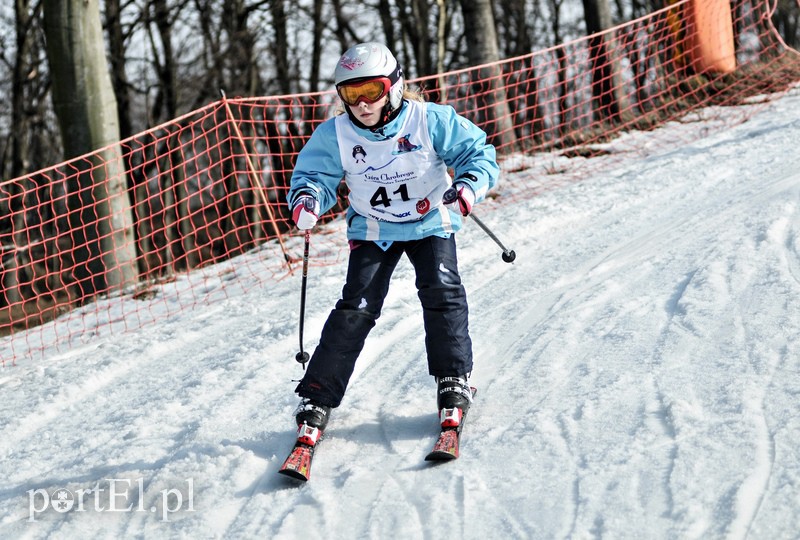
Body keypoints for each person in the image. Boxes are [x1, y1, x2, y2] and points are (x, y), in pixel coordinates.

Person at [286, 42, 499, 445]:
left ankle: (453, 377)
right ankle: (317, 397)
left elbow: (478, 152)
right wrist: (308, 199)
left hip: (430, 221)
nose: (362, 104)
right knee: (357, 307)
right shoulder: (337, 134)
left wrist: (469, 187)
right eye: (351, 94)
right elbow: (314, 174)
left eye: (372, 90)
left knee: (442, 291)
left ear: (395, 87)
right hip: (374, 229)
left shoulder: (428, 120)